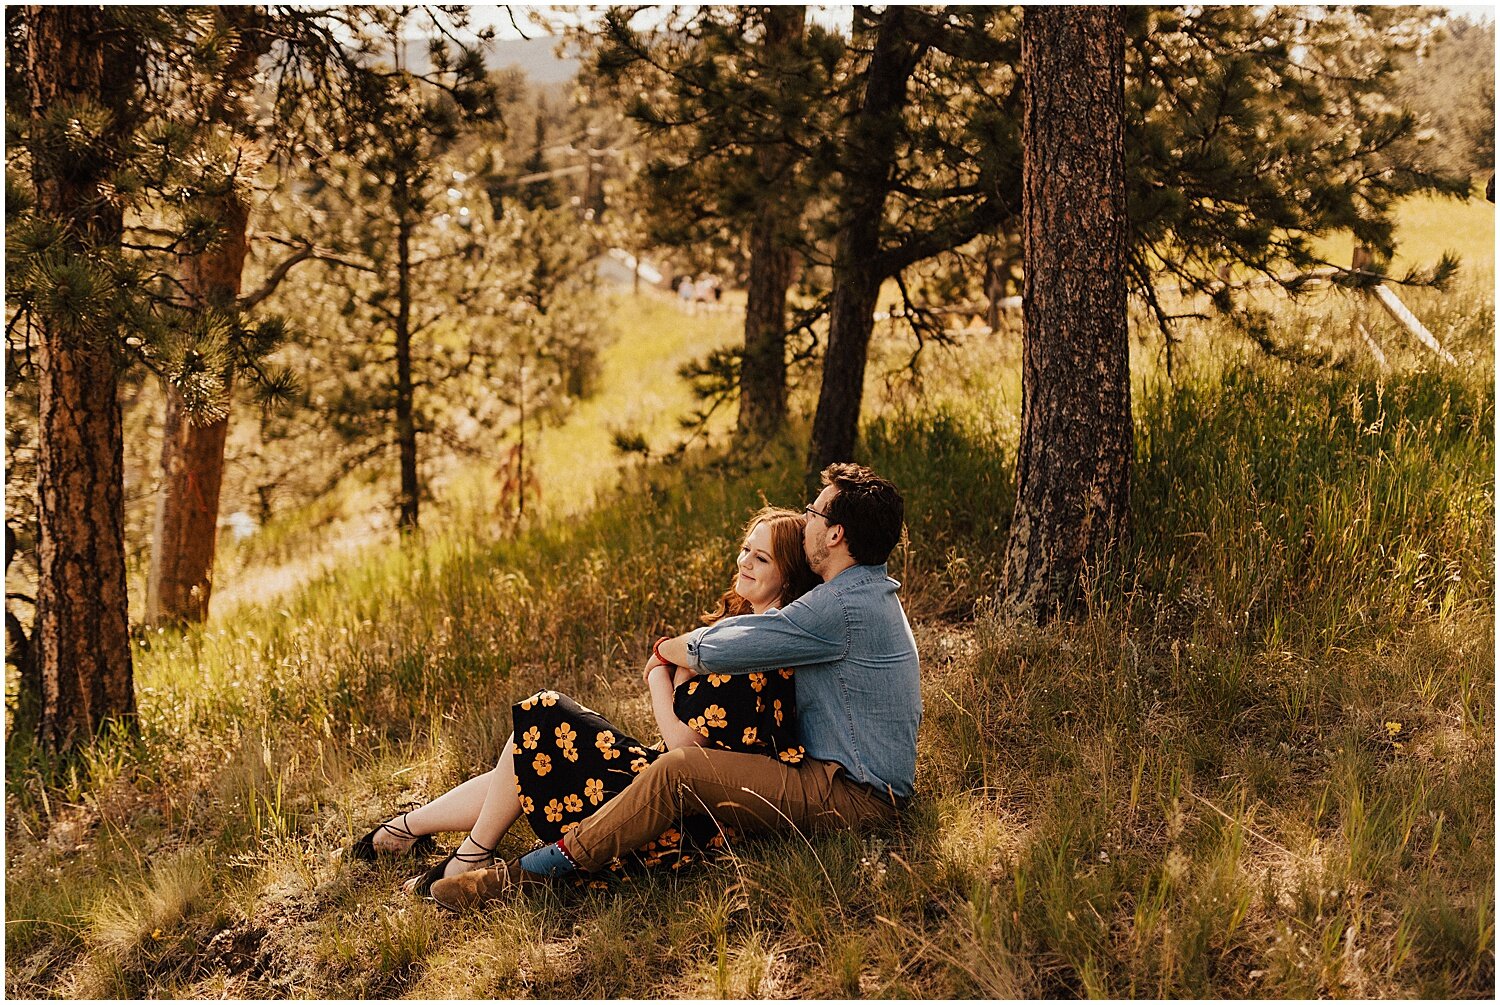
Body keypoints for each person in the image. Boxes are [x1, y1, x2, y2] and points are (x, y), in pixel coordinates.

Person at [430, 463, 921, 911]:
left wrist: (666, 653)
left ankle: (528, 875)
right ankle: (433, 837)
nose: (808, 519)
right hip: (837, 779)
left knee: (679, 769)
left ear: (835, 534)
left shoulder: (841, 607)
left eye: (815, 512)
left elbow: (738, 646)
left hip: (854, 795)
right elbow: (752, 634)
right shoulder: (861, 595)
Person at [349, 507, 819, 895]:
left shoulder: (758, 650)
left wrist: (659, 673)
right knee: (529, 752)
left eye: (762, 559)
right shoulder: (750, 631)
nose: (744, 563)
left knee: (546, 715)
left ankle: (463, 850)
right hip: (673, 790)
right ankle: (411, 830)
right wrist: (681, 671)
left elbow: (683, 746)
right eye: (745, 550)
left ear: (787, 576)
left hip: (681, 818)